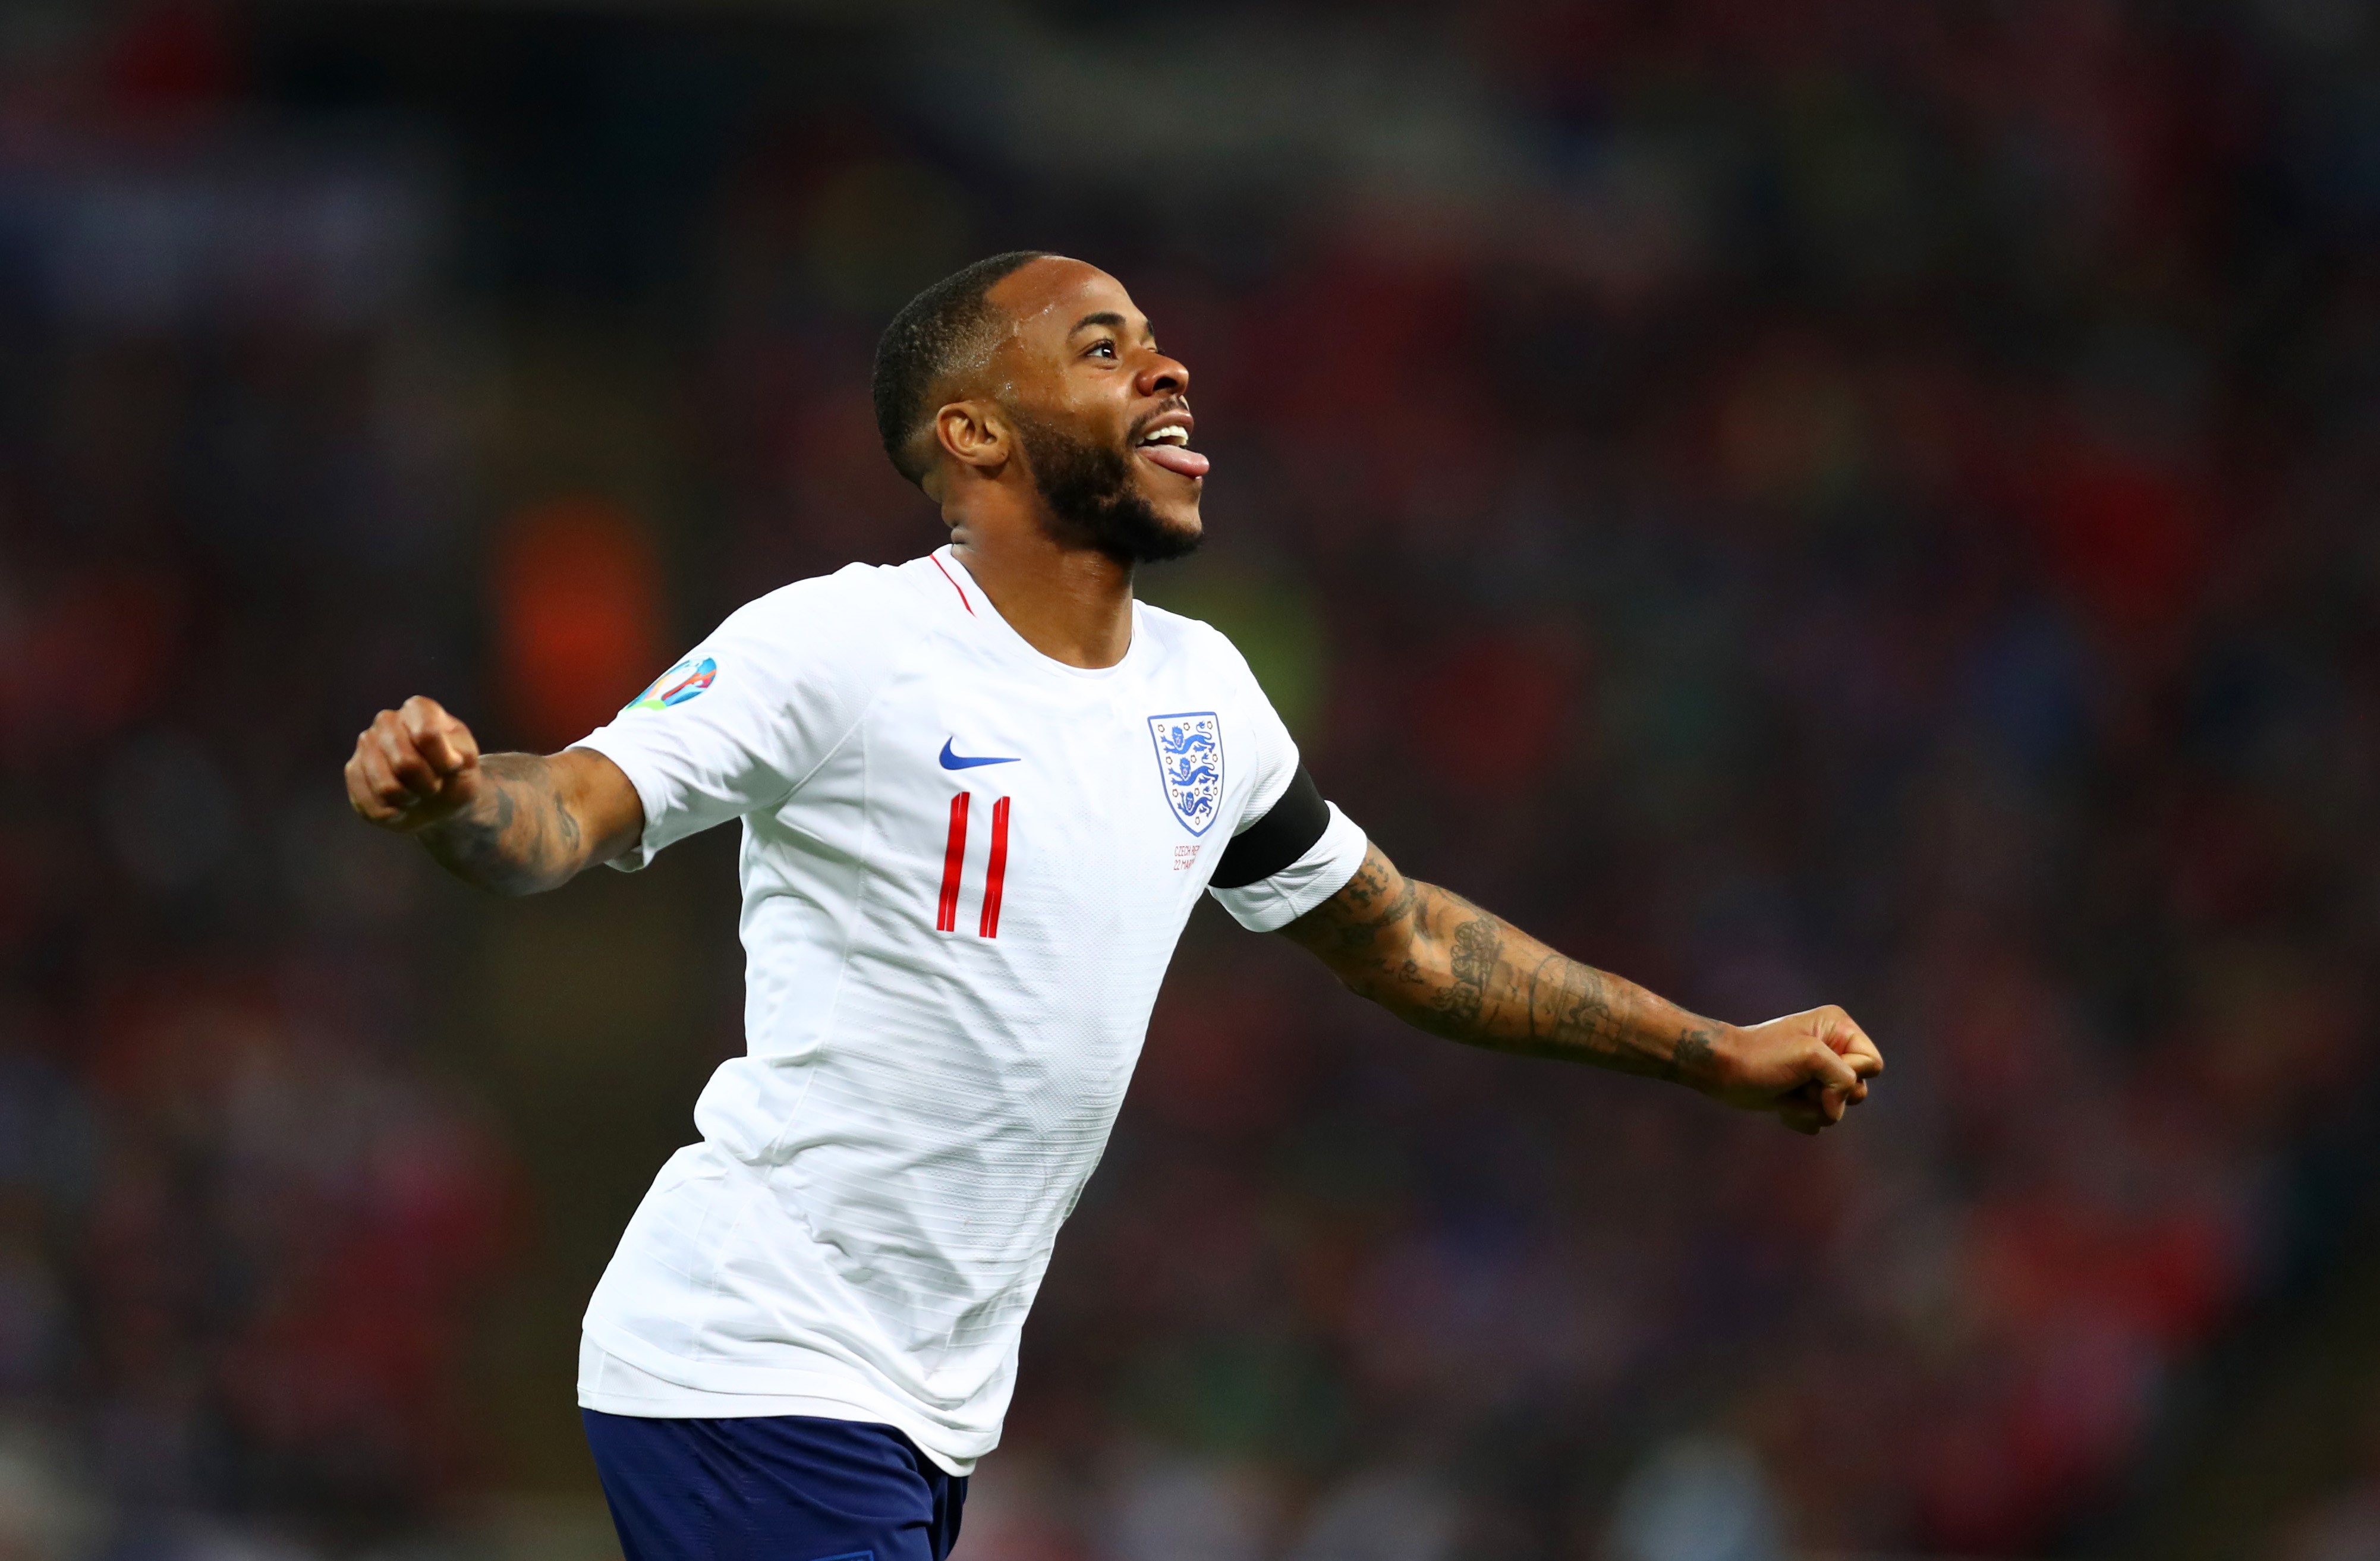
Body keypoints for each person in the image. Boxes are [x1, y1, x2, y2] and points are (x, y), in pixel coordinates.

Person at [344, 251, 1884, 1561]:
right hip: (754, 1354)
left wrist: (1710, 1051)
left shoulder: (1203, 697)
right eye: (1103, 348)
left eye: (1154, 340)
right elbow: (574, 805)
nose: (1167, 368)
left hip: (927, 1398)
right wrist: (462, 801)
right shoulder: (843, 644)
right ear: (977, 433)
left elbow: (1404, 938)